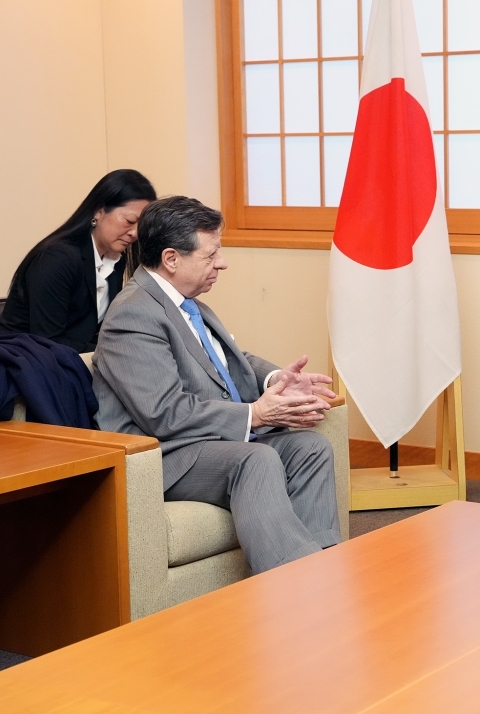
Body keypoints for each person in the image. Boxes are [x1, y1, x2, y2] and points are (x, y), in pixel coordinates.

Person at [92, 196, 340, 573]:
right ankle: (297, 587)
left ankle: (322, 566)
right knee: (255, 459)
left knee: (310, 447)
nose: (221, 262)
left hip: (205, 441)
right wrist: (255, 414)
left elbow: (228, 358)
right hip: (166, 453)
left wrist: (278, 379)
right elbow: (165, 414)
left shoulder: (187, 301)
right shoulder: (133, 315)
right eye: (211, 255)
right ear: (172, 259)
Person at [0, 169, 157, 352]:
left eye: (142, 226)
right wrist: (112, 349)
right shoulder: (57, 259)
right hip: (24, 364)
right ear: (99, 211)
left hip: (71, 360)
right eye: (130, 221)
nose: (135, 233)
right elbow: (49, 342)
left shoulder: (115, 259)